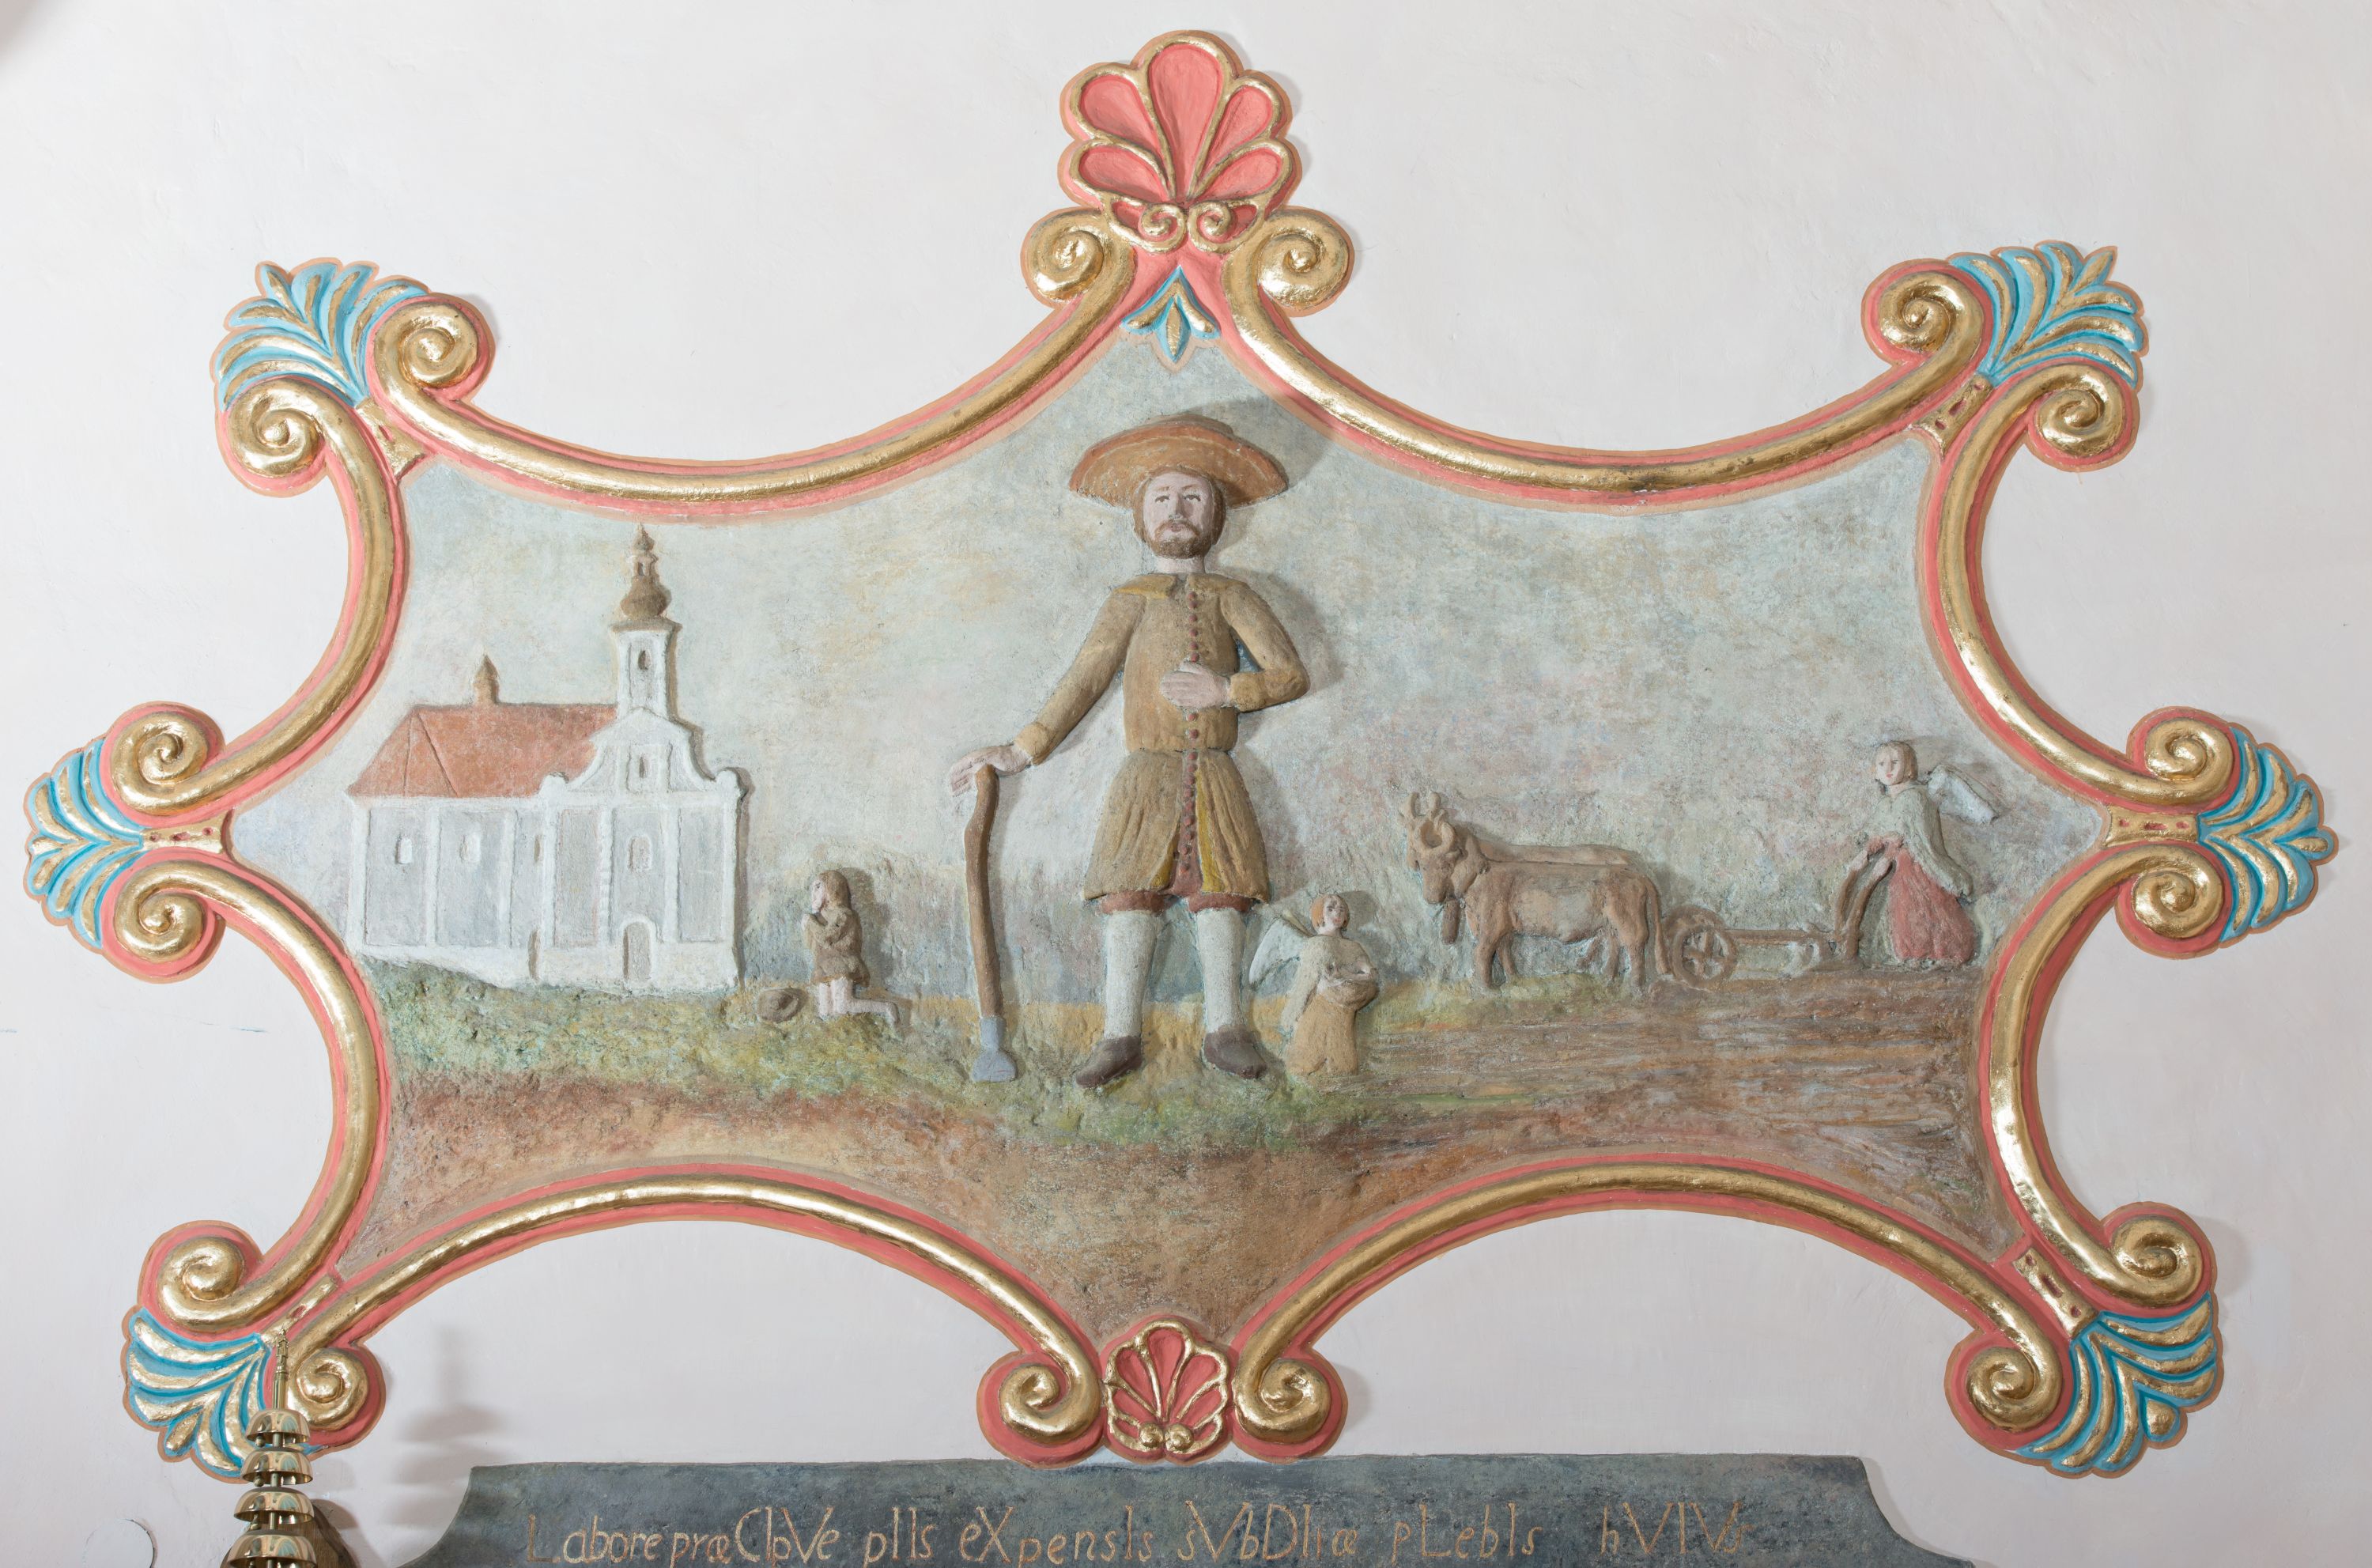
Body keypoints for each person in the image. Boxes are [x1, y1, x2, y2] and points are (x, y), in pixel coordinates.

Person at [948, 417, 1309, 1089]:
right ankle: (1119, 1034)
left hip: (1215, 772)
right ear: (1142, 516)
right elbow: (1083, 680)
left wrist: (1228, 690)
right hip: (1146, 774)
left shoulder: (1234, 596)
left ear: (1216, 515)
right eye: (1163, 497)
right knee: (1129, 895)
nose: (1178, 511)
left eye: (1193, 498)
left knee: (1223, 895)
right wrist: (1022, 750)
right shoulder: (1129, 601)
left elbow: (1290, 674)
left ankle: (1226, 1029)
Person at [1841, 741, 1995, 968]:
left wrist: (1889, 853)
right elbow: (1878, 833)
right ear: (1875, 771)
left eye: (1895, 762)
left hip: (1920, 865)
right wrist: (1865, 852)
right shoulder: (1884, 805)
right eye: (1882, 764)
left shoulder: (1915, 798)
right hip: (1900, 868)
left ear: (1909, 768)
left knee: (1931, 905)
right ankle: (1913, 954)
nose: (1888, 769)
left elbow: (1913, 835)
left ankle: (1947, 953)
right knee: (1904, 907)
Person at [1280, 894, 1380, 1078]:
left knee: (1340, 1059)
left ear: (1346, 916)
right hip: (1321, 1005)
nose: (1337, 913)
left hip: (1346, 999)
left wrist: (1344, 976)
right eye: (1331, 909)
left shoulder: (1353, 946)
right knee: (1309, 1054)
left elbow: (1372, 975)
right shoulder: (1316, 944)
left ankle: (1336, 1071)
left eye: (1341, 910)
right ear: (1320, 914)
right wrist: (1295, 1012)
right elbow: (1306, 982)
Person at [803, 870, 899, 1027]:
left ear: (832, 888)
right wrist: (812, 922)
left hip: (842, 964)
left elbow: (827, 938)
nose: (814, 893)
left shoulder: (844, 915)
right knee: (825, 1012)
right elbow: (812, 946)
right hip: (824, 967)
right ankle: (841, 1033)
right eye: (813, 888)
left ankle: (887, 1008)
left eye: (818, 887)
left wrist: (810, 922)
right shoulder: (819, 918)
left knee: (843, 1006)